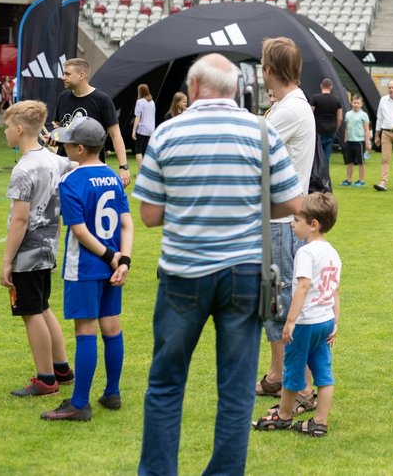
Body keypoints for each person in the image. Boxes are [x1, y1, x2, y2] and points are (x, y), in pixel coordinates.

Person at [134, 53, 303, 475]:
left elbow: (150, 216)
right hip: (244, 273)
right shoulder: (261, 131)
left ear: (193, 88)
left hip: (183, 272)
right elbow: (292, 202)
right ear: (235, 89)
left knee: (166, 383)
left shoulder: (168, 133)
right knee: (235, 388)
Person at [41, 117, 134, 422]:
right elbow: (126, 223)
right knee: (111, 326)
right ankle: (112, 391)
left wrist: (110, 257)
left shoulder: (70, 181)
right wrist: (124, 260)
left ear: (79, 149)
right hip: (113, 264)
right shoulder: (111, 176)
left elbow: (79, 231)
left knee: (85, 330)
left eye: (68, 142)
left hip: (85, 266)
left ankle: (79, 403)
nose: (63, 145)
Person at [255, 37, 316, 408]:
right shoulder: (286, 105)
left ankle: (303, 388)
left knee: (285, 301)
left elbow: (253, 156)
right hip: (277, 218)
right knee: (273, 302)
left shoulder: (288, 110)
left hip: (282, 221)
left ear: (268, 69)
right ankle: (279, 375)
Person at [0, 101, 75, 398]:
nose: (5, 132)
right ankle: (61, 369)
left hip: (28, 252)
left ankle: (46, 380)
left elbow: (20, 219)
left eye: (7, 127)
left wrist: (7, 261)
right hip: (49, 247)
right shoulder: (52, 159)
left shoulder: (23, 169)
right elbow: (77, 167)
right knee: (42, 307)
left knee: (31, 312)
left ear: (19, 130)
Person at [253, 193, 341, 436]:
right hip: (325, 322)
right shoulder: (333, 252)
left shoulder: (305, 253)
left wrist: (290, 321)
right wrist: (336, 321)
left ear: (313, 224)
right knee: (324, 375)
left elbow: (302, 287)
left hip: (305, 324)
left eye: (296, 221)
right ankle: (320, 422)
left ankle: (283, 415)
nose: (292, 225)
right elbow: (335, 290)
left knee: (292, 372)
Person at [53, 59, 131, 187]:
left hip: (91, 171)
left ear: (81, 75)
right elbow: (59, 126)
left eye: (67, 74)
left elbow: (115, 135)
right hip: (64, 170)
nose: (63, 77)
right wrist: (54, 137)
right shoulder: (63, 97)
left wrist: (124, 166)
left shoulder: (102, 100)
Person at [373, 80, 393, 192]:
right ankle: (383, 182)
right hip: (386, 132)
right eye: (389, 87)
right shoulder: (383, 100)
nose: (391, 89)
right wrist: (376, 135)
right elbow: (379, 118)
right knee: (385, 158)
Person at [309, 78, 343, 170]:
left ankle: (316, 177)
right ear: (331, 87)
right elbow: (339, 118)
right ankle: (325, 178)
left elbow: (309, 114)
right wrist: (336, 129)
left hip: (318, 130)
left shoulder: (315, 98)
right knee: (326, 157)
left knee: (316, 156)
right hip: (331, 130)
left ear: (321, 86)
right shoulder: (336, 99)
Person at [341, 94, 370, 187]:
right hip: (349, 141)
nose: (356, 104)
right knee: (349, 162)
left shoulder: (364, 115)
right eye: (354, 102)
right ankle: (348, 179)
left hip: (359, 142)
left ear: (361, 104)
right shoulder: (348, 114)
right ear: (351, 103)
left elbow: (366, 129)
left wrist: (367, 142)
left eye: (358, 103)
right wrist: (345, 139)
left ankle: (361, 181)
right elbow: (346, 128)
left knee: (361, 162)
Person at [131, 84, 156, 171]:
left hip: (142, 128)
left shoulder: (139, 102)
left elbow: (137, 117)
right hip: (151, 129)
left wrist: (134, 130)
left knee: (138, 150)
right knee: (146, 150)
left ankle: (141, 171)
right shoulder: (152, 102)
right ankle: (147, 170)